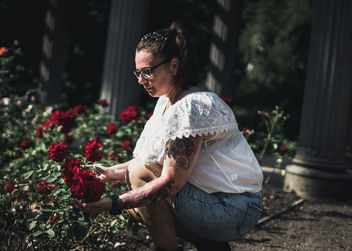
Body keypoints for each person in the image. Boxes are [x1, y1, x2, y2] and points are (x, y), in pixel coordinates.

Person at [74, 21, 263, 251]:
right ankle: (208, 245)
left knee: (139, 184)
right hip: (217, 202)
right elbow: (151, 159)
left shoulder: (192, 107)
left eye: (147, 71)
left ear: (174, 65)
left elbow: (169, 182)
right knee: (138, 198)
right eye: (138, 72)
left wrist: (112, 204)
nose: (141, 80)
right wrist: (109, 173)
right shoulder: (168, 102)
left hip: (232, 209)